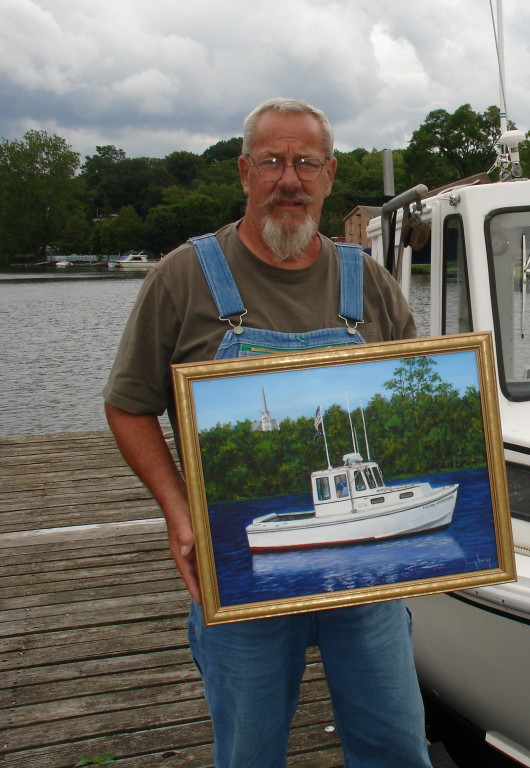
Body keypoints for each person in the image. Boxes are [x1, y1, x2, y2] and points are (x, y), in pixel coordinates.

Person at [102, 98, 430, 768]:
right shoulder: (184, 276)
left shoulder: (367, 279)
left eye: (305, 163)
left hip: (368, 572)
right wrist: (179, 511)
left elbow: (415, 387)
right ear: (245, 172)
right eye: (273, 162)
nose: (290, 179)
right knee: (249, 752)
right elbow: (129, 404)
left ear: (330, 174)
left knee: (396, 746)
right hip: (239, 571)